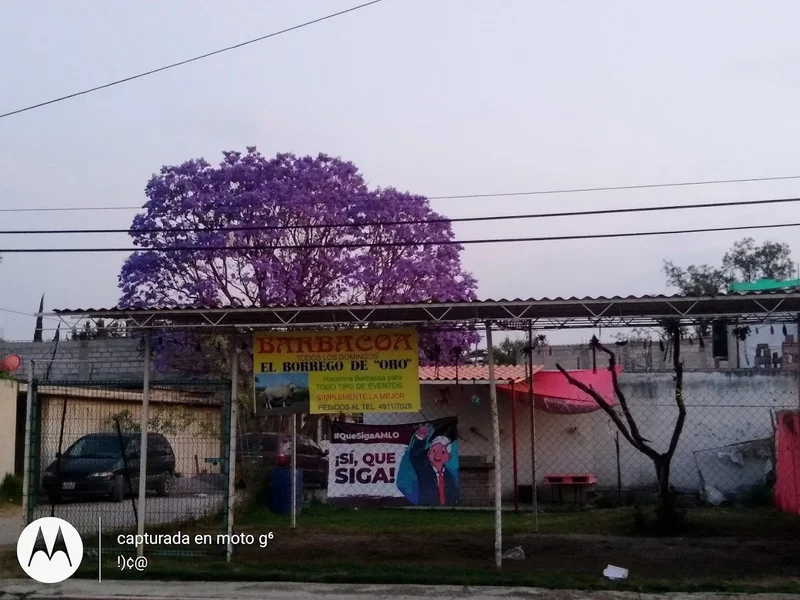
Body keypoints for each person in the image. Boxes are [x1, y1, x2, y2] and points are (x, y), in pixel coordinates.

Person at [406, 423, 458, 506]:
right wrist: (420, 438)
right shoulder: (423, 470)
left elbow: (454, 493)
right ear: (428, 453)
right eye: (434, 451)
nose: (437, 455)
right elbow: (415, 457)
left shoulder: (449, 476)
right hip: (427, 506)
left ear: (448, 457)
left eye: (443, 452)